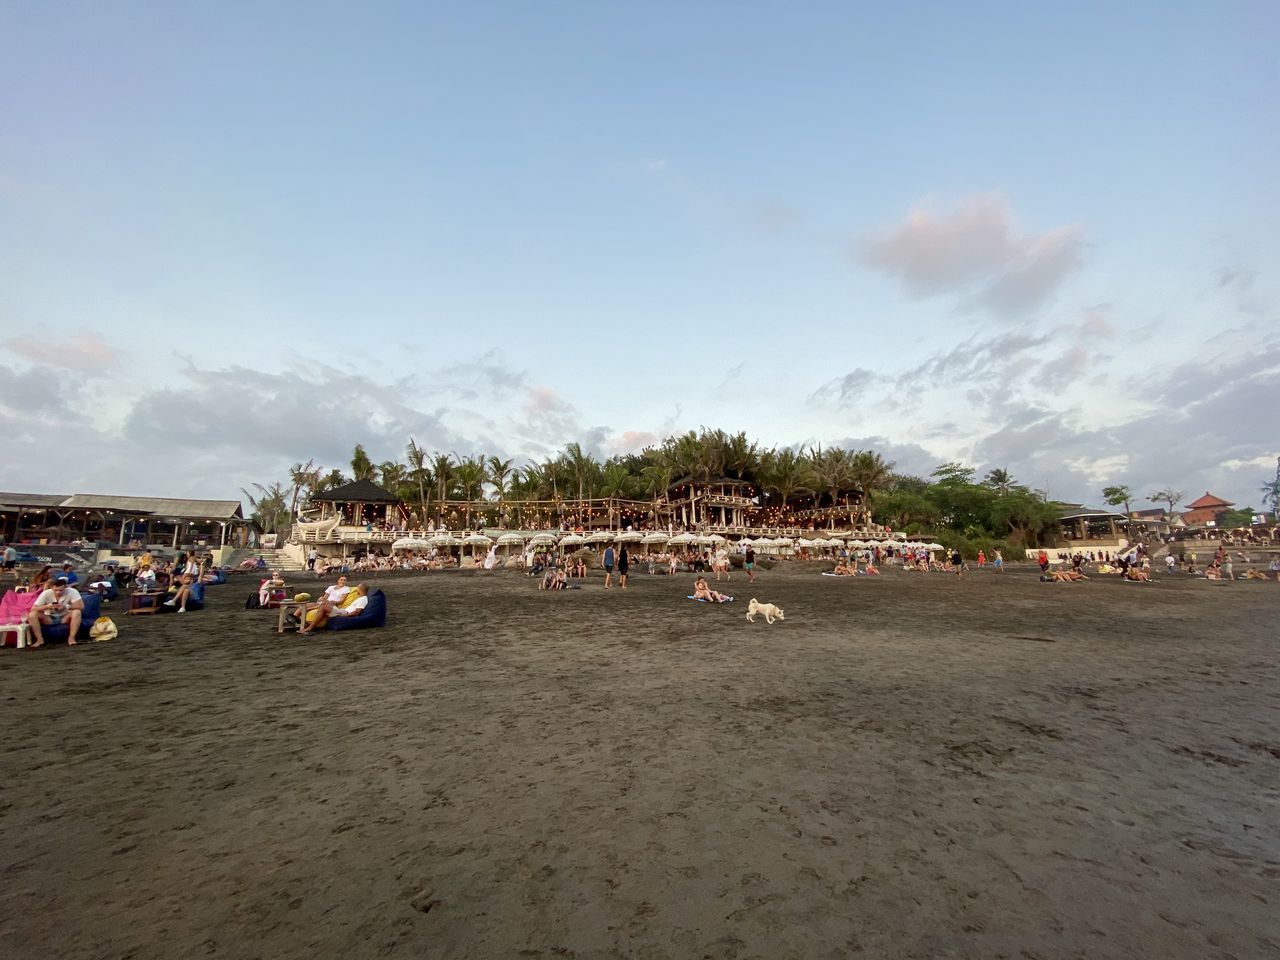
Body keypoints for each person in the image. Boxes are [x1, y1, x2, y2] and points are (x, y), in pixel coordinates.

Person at [27, 576, 84, 647]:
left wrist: (66, 606)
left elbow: (81, 606)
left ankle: (71, 638)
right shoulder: (46, 593)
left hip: (65, 617)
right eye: (55, 590)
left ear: (65, 588)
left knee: (77, 612)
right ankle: (39, 640)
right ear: (52, 588)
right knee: (32, 614)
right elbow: (33, 608)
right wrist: (47, 606)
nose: (58, 592)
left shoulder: (72, 591)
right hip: (49, 617)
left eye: (61, 590)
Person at [300, 583, 369, 634]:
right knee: (323, 602)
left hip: (344, 613)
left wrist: (344, 616)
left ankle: (309, 628)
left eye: (358, 588)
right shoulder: (360, 598)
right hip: (342, 611)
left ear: (359, 589)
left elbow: (357, 612)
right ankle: (308, 623)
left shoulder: (363, 599)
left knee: (324, 605)